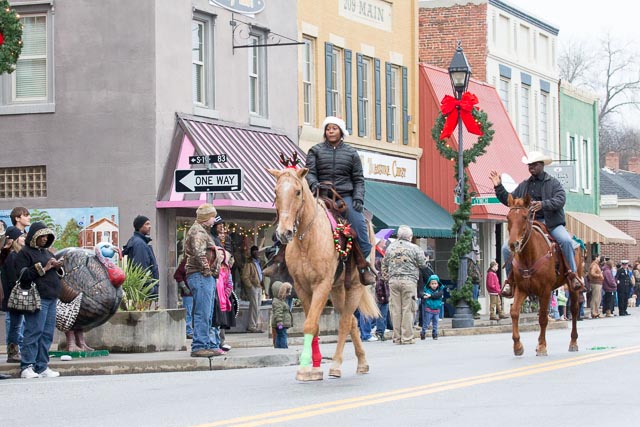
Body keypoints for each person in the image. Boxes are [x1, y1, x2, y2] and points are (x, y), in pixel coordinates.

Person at [490, 151, 582, 297]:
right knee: (506, 248)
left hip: (551, 223)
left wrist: (543, 204)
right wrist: (498, 187)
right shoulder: (524, 185)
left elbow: (560, 200)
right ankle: (511, 281)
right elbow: (510, 201)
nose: (531, 167)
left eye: (534, 164)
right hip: (530, 224)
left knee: (565, 241)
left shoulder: (553, 183)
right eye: (529, 165)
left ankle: (573, 276)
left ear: (541, 165)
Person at [305, 116, 376, 286]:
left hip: (344, 196)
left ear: (341, 132)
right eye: (328, 128)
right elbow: (309, 172)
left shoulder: (351, 153)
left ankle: (363, 264)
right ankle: (280, 259)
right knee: (296, 217)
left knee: (358, 223)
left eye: (334, 128)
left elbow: (358, 179)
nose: (330, 131)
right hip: (320, 195)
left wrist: (358, 197)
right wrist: (314, 183)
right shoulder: (315, 150)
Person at [14, 222, 64, 378]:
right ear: (34, 237)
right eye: (41, 236)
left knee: (47, 334)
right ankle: (26, 366)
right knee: (34, 331)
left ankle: (42, 366)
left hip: (51, 298)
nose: (44, 239)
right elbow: (23, 275)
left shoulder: (48, 252)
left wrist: (58, 266)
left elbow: (60, 273)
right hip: (37, 297)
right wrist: (46, 267)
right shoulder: (25, 253)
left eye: (46, 236)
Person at [184, 203, 225, 357]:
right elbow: (199, 252)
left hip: (203, 275)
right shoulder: (198, 232)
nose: (214, 220)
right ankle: (199, 345)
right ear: (206, 217)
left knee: (207, 312)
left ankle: (206, 344)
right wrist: (207, 270)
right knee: (202, 312)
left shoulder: (202, 231)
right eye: (213, 217)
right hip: (200, 275)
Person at [382, 225, 428, 345]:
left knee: (395, 310)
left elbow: (384, 264)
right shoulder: (415, 248)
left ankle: (397, 338)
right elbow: (423, 264)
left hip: (393, 281)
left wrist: (388, 278)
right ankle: (407, 337)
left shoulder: (390, 248)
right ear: (410, 236)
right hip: (409, 281)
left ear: (398, 236)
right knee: (408, 309)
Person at [1, 226, 27, 363]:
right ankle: (13, 353)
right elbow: (13, 279)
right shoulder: (11, 256)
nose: (23, 239)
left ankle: (16, 352)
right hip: (14, 298)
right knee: (15, 327)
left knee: (17, 326)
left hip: (14, 298)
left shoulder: (15, 255)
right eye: (21, 237)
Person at [123, 215, 159, 298]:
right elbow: (141, 267)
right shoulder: (140, 244)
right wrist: (149, 287)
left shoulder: (136, 241)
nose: (149, 226)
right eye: (146, 224)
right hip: (144, 288)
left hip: (142, 287)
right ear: (139, 226)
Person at [241, 245, 264, 333]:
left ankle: (255, 324)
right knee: (254, 306)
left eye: (257, 251)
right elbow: (245, 276)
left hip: (259, 286)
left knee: (258, 306)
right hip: (253, 287)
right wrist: (250, 286)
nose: (256, 253)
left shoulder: (258, 263)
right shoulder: (249, 263)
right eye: (254, 252)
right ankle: (252, 325)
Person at [374, 241, 390, 341]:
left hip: (382, 296)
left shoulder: (378, 276)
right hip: (382, 297)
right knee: (382, 314)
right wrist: (384, 297)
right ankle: (380, 331)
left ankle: (380, 330)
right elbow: (381, 288)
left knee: (381, 314)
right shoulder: (381, 277)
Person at [173, 257, 193, 339]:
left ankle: (192, 331)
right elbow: (177, 274)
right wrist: (184, 287)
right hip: (188, 293)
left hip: (196, 292)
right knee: (188, 313)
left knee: (195, 313)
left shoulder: (202, 261)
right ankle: (188, 331)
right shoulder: (187, 261)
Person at [420, 274, 444, 340]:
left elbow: (438, 295)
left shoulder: (440, 291)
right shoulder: (427, 291)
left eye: (435, 283)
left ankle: (435, 333)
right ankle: (423, 332)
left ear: (438, 284)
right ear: (429, 284)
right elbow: (422, 294)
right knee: (426, 322)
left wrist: (430, 296)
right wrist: (423, 296)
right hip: (429, 309)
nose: (434, 285)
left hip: (436, 310)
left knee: (435, 323)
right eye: (432, 283)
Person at [270, 281, 293, 349]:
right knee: (282, 335)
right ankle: (283, 348)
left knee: (280, 335)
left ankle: (278, 348)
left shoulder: (280, 301)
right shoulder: (277, 302)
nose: (286, 294)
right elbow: (278, 313)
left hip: (281, 323)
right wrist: (279, 323)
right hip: (280, 323)